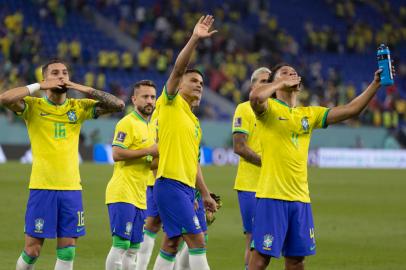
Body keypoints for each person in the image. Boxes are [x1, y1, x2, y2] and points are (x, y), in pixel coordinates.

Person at [248, 63, 394, 270]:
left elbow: (351, 110)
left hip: (301, 199)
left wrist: (376, 84)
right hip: (272, 196)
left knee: (297, 262)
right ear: (275, 82)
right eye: (285, 72)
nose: (292, 74)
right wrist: (279, 82)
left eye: (294, 73)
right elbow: (255, 97)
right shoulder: (268, 110)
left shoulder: (310, 113)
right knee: (261, 259)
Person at [0, 58, 125, 270]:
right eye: (55, 73)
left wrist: (80, 87)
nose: (61, 77)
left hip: (71, 189)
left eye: (65, 73)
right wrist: (38, 87)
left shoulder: (79, 107)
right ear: (45, 78)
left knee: (67, 251)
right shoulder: (33, 106)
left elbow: (118, 105)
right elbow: (4, 98)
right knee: (32, 251)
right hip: (42, 187)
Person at [151, 15, 218, 270]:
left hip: (186, 188)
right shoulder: (169, 103)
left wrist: (204, 192)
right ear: (179, 86)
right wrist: (195, 39)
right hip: (169, 184)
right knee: (197, 241)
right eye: (194, 82)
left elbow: (194, 163)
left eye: (202, 84)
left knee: (171, 243)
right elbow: (178, 68)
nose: (199, 86)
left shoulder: (194, 122)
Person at [105, 80, 158, 270]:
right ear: (134, 99)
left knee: (134, 249)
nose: (149, 101)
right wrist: (149, 150)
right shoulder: (127, 122)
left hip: (140, 195)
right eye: (145, 96)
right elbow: (117, 154)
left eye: (152, 97)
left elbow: (149, 162)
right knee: (120, 245)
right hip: (122, 192)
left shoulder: (152, 127)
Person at [232, 67, 271, 269]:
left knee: (267, 241)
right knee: (253, 239)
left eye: (270, 81)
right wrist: (269, 163)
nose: (268, 85)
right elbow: (239, 147)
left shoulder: (276, 110)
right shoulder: (244, 109)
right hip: (250, 185)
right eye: (263, 81)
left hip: (273, 185)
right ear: (253, 85)